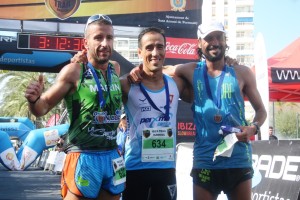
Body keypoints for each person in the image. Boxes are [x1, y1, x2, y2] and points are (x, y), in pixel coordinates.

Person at [129, 21, 267, 200]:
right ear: (200, 43)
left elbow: (262, 111)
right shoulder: (191, 70)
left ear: (226, 41)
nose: (215, 42)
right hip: (205, 161)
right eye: (209, 38)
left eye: (219, 37)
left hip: (238, 157)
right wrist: (138, 69)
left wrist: (253, 128)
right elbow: (161, 69)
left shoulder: (242, 72)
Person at [72, 26, 192, 200]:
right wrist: (80, 65)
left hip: (166, 168)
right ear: (139, 52)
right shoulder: (126, 84)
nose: (155, 52)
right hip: (135, 168)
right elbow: (95, 96)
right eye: (149, 48)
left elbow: (200, 72)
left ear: (165, 50)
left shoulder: (176, 84)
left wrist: (227, 61)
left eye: (160, 47)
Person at [24, 14, 125, 200]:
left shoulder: (115, 68)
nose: (105, 43)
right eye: (98, 37)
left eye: (109, 37)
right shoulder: (74, 71)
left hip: (112, 156)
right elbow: (42, 106)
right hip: (83, 155)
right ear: (86, 43)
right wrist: (33, 99)